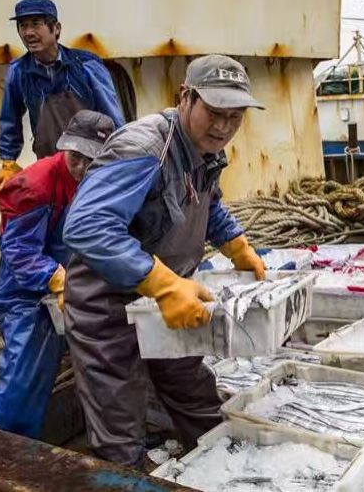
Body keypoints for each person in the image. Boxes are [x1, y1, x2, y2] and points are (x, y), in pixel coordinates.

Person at [62, 54, 266, 466]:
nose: (224, 127)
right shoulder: (143, 147)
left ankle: (225, 469)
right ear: (186, 97)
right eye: (214, 112)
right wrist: (163, 284)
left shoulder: (204, 149)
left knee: (195, 395)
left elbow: (207, 202)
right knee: (119, 423)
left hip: (164, 304)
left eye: (235, 116)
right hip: (108, 307)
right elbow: (85, 226)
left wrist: (236, 245)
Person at [0, 110, 114, 438]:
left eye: (93, 160)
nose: (83, 168)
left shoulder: (106, 180)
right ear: (65, 148)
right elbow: (19, 252)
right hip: (28, 294)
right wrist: (57, 279)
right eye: (76, 157)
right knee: (24, 379)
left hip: (78, 282)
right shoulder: (34, 184)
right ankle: (10, 453)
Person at [0, 0, 125, 200]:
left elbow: (113, 118)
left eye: (36, 24)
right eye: (22, 26)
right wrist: (8, 162)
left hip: (92, 167)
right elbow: (10, 121)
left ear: (56, 29)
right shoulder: (18, 72)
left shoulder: (86, 66)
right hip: (51, 168)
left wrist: (119, 161)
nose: (28, 32)